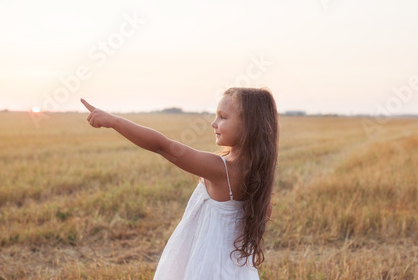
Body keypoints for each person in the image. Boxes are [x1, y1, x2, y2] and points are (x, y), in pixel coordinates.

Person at [80, 87, 279, 279]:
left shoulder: (221, 169)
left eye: (223, 117)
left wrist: (114, 121)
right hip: (233, 268)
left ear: (249, 125)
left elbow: (162, 146)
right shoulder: (256, 171)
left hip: (205, 266)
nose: (213, 123)